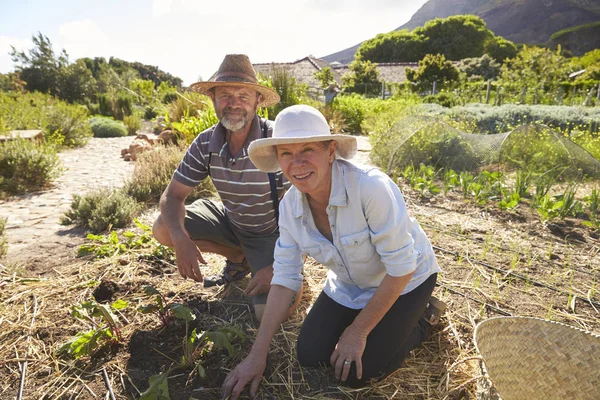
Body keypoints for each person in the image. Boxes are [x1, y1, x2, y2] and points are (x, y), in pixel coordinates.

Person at [222, 104, 444, 399]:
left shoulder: (369, 188)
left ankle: (423, 317)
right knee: (310, 354)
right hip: (350, 284)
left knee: (358, 372)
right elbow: (285, 277)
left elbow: (402, 267)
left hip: (405, 280)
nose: (297, 163)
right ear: (277, 159)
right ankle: (372, 320)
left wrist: (357, 331)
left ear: (330, 151)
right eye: (286, 153)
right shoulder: (290, 207)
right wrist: (256, 355)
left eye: (308, 150)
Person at [152, 54, 293, 321]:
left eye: (243, 96)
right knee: (163, 227)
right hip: (232, 223)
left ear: (258, 101)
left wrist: (279, 267)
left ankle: (263, 264)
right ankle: (237, 255)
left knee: (272, 316)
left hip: (273, 235)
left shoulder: (276, 140)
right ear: (213, 99)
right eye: (226, 95)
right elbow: (172, 196)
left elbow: (310, 212)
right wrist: (180, 238)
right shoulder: (206, 142)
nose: (234, 104)